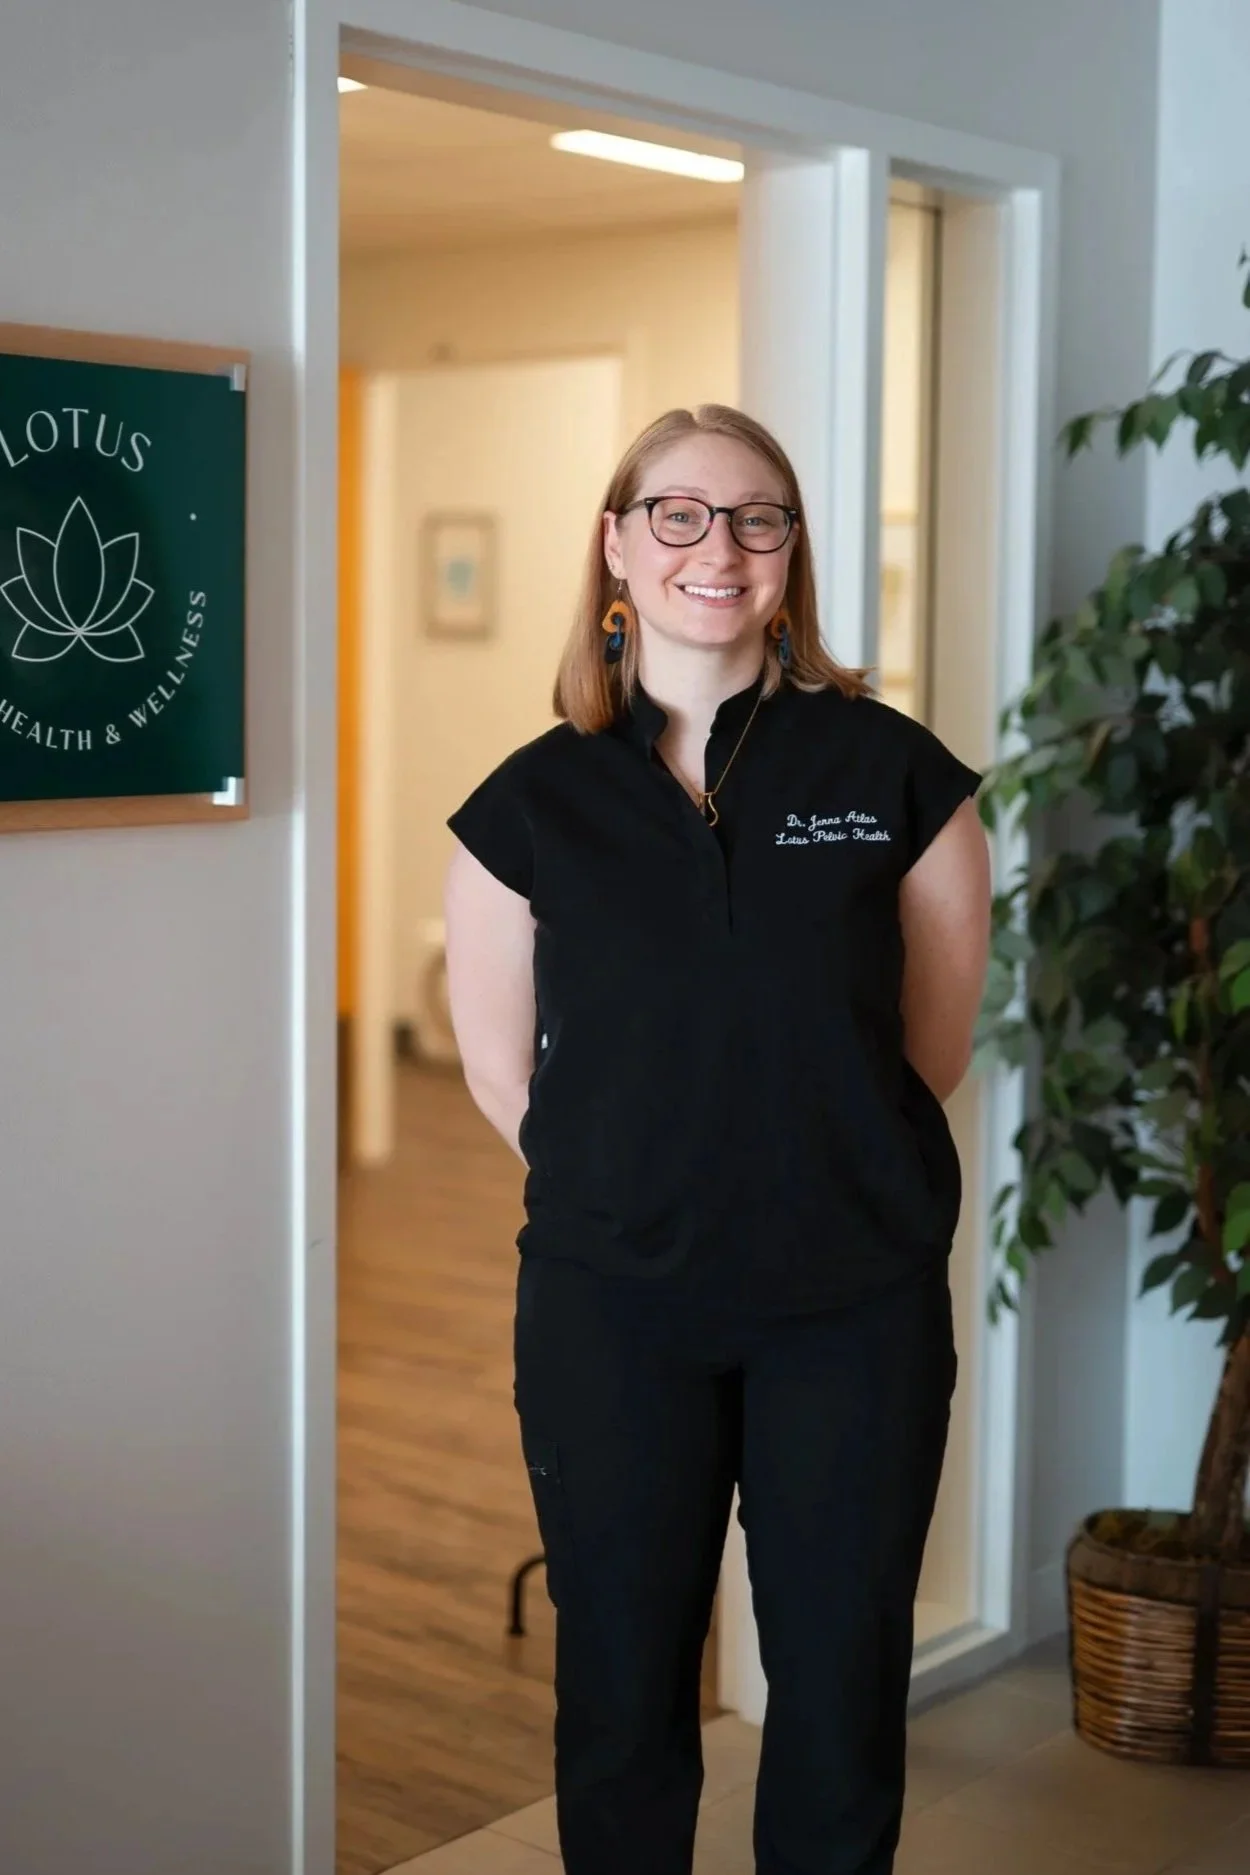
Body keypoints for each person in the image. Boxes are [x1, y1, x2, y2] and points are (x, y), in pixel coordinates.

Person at [443, 403, 991, 1875]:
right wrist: (645, 1183)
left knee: (836, 1689)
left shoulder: (895, 775)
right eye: (677, 512)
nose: (718, 546)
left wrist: (797, 1156)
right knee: (619, 1695)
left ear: (789, 553)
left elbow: (922, 1052)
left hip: (851, 1307)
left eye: (757, 516)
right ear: (616, 544)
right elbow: (504, 1076)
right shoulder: (528, 801)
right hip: (612, 1310)